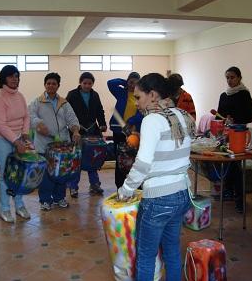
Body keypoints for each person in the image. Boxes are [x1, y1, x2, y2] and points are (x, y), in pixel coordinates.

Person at [118, 73, 195, 280]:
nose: (136, 103)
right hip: (181, 194)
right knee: (171, 250)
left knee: (146, 255)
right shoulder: (181, 114)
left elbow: (142, 165)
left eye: (138, 97)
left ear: (152, 95)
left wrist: (126, 190)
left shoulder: (152, 120)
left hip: (159, 199)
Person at [29, 72, 80, 210]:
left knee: (61, 172)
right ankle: (45, 200)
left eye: (54, 83)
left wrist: (75, 131)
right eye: (48, 83)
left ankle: (59, 198)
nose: (51, 85)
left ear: (58, 86)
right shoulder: (36, 102)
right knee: (46, 175)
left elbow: (72, 119)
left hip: (63, 146)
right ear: (45, 85)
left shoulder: (64, 103)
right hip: (44, 146)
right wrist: (39, 124)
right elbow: (30, 117)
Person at [0, 65, 30, 223]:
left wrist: (25, 134)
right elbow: (0, 124)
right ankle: (5, 209)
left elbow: (26, 116)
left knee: (19, 174)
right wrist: (15, 141)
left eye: (17, 76)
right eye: (11, 76)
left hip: (18, 139)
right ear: (3, 78)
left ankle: (19, 205)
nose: (15, 79)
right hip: (2, 140)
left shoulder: (20, 96)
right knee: (6, 175)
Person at [217, 66, 252, 212]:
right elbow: (218, 116)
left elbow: (251, 116)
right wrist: (223, 120)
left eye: (232, 77)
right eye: (227, 77)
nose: (229, 80)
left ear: (239, 78)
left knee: (236, 167)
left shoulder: (244, 94)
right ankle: (228, 192)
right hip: (225, 136)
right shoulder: (223, 95)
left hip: (239, 135)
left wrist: (235, 119)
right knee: (227, 165)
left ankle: (240, 200)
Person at [66, 72, 106, 198]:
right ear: (80, 82)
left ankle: (95, 184)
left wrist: (103, 123)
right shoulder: (72, 95)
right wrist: (73, 129)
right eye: (85, 83)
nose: (87, 86)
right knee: (76, 160)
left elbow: (100, 110)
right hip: (77, 132)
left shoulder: (95, 95)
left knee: (93, 158)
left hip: (93, 132)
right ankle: (73, 187)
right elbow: (67, 112)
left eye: (90, 83)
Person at [107, 72, 143, 188]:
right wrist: (125, 82)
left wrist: (131, 121)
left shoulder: (141, 96)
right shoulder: (122, 93)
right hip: (119, 131)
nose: (133, 85)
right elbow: (110, 83)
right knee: (120, 160)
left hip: (134, 133)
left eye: (136, 83)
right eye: (131, 82)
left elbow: (142, 113)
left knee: (135, 159)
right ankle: (119, 186)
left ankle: (135, 186)